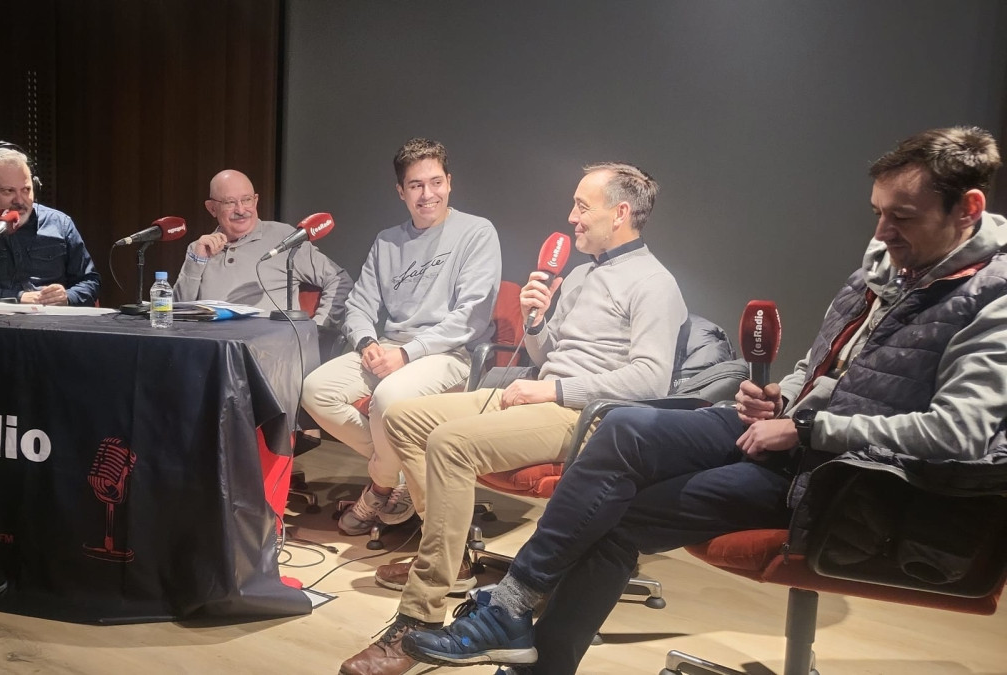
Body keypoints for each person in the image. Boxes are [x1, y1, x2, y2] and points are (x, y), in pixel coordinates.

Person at [398, 125, 1007, 675]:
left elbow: (962, 432)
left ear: (967, 209)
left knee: (615, 498)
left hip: (858, 482)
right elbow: (818, 367)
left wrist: (808, 427)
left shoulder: (992, 299)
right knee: (626, 435)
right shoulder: (881, 269)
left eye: (900, 216)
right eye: (877, 213)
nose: (880, 232)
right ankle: (515, 621)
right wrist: (781, 396)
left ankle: (509, 618)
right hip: (801, 441)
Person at [338, 162, 689, 675]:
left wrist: (554, 389)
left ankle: (420, 618)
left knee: (451, 444)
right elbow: (548, 353)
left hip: (587, 417)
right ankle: (451, 560)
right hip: (545, 397)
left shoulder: (655, 283)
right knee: (404, 419)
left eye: (581, 206)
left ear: (620, 213)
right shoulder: (582, 273)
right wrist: (537, 320)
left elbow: (651, 380)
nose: (571, 217)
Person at [301, 138, 502, 537]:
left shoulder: (477, 233)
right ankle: (407, 471)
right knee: (314, 390)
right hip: (391, 350)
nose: (427, 194)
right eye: (415, 185)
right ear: (401, 191)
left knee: (388, 399)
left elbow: (472, 317)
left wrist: (407, 355)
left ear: (449, 182)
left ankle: (377, 488)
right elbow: (358, 304)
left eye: (435, 182)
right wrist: (365, 343)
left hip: (448, 352)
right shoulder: (387, 241)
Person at [172, 170, 353, 326]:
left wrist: (317, 328)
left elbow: (339, 280)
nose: (241, 210)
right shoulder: (200, 249)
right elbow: (177, 314)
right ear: (212, 208)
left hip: (269, 354)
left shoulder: (285, 238)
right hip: (213, 350)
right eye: (229, 202)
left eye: (247, 200)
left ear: (256, 200)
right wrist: (197, 260)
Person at [0, 143, 100, 306]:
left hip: (49, 327)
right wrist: (15, 297)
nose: (20, 201)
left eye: (26, 190)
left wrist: (67, 297)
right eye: (9, 191)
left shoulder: (60, 224)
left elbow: (90, 282)